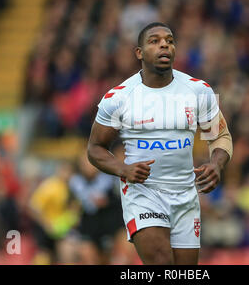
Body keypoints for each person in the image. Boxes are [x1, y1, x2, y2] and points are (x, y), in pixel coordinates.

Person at [87, 22, 233, 265]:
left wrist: (217, 163)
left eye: (170, 40)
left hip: (186, 195)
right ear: (139, 53)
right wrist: (123, 169)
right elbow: (94, 148)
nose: (164, 44)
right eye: (154, 41)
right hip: (144, 193)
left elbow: (221, 136)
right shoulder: (119, 98)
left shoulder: (198, 91)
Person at [69, 149, 123, 264]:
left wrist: (107, 202)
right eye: (84, 162)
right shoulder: (75, 183)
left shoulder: (109, 180)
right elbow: (70, 206)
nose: (88, 165)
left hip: (108, 228)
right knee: (88, 257)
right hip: (87, 230)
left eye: (90, 161)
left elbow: (119, 203)